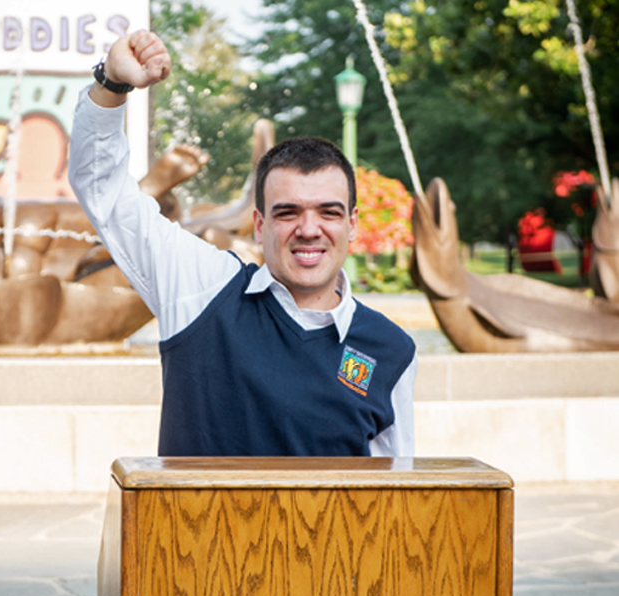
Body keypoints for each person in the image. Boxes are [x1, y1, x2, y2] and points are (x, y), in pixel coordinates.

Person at [69, 30, 417, 457]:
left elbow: (395, 495)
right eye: (288, 212)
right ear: (259, 224)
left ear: (352, 224)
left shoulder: (392, 348)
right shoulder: (203, 289)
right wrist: (112, 85)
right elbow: (102, 189)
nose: (309, 229)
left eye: (328, 212)